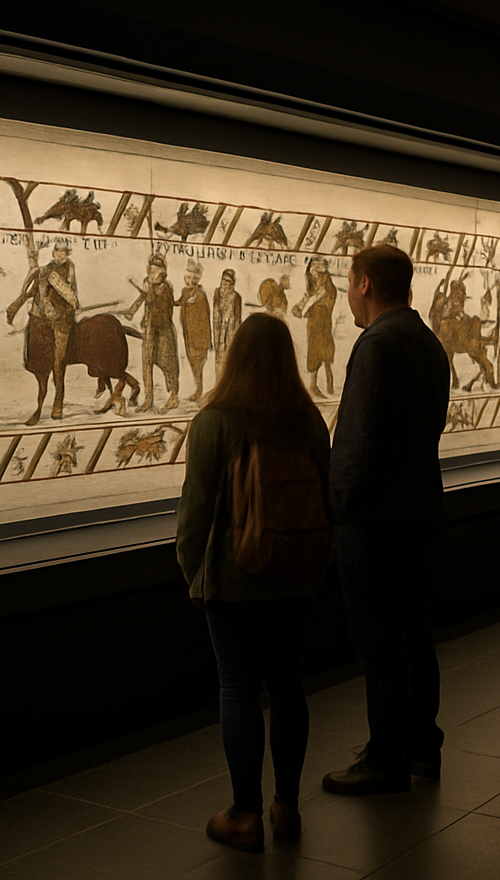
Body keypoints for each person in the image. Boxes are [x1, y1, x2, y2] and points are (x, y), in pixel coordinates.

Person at [175, 314, 331, 852]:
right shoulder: (307, 420)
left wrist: (195, 572)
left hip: (234, 577)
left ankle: (244, 813)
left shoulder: (216, 421)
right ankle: (286, 807)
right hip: (296, 576)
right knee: (288, 685)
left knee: (239, 688)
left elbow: (195, 513)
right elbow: (327, 499)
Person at [322, 244, 449, 796]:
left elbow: (358, 437)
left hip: (373, 515)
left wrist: (339, 507)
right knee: (415, 631)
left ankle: (386, 757)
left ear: (366, 284)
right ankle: (421, 744)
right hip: (418, 505)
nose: (348, 294)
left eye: (349, 283)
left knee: (378, 639)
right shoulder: (425, 340)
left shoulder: (377, 344)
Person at [7, 238, 78, 418]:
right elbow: (32, 290)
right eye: (57, 252)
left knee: (58, 360)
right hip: (42, 319)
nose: (60, 255)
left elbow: (69, 294)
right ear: (54, 253)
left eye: (63, 253)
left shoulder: (68, 269)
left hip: (61, 320)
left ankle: (58, 400)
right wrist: (16, 305)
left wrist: (64, 308)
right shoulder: (46, 270)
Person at [121, 252, 178, 412]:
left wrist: (150, 290)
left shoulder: (166, 287)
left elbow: (159, 304)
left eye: (155, 271)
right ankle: (149, 398)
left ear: (163, 273)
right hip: (150, 329)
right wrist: (131, 311)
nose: (151, 274)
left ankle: (173, 396)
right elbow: (142, 298)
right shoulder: (148, 284)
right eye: (150, 271)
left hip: (164, 331)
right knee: (146, 363)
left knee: (168, 364)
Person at [291, 256, 337, 397]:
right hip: (314, 323)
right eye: (314, 265)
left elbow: (329, 296)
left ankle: (330, 385)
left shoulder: (326, 282)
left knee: (327, 353)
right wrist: (299, 307)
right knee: (315, 352)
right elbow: (307, 296)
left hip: (324, 322)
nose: (317, 268)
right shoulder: (311, 282)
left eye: (320, 265)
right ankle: (313, 385)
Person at [176, 260, 211, 402]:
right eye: (188, 277)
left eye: (192, 278)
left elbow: (204, 316)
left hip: (199, 336)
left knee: (198, 365)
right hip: (188, 335)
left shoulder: (200, 294)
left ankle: (199, 391)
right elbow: (179, 302)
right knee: (193, 364)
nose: (189, 280)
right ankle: (198, 390)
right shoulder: (185, 292)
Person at [212, 268, 242, 379]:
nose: (225, 283)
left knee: (230, 360)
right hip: (218, 331)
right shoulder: (217, 293)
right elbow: (215, 312)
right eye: (224, 280)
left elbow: (237, 318)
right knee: (219, 360)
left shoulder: (236, 297)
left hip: (230, 331)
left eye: (228, 281)